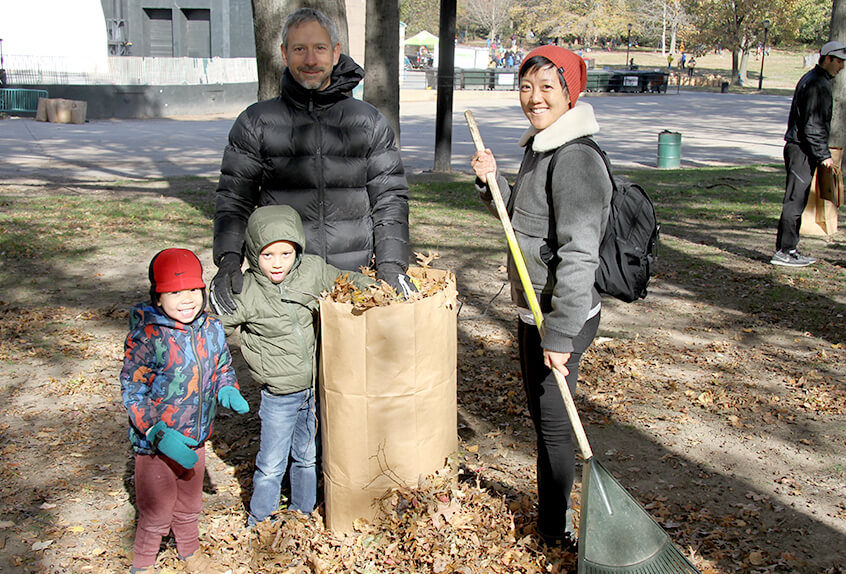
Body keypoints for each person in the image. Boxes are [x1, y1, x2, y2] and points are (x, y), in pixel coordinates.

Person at [470, 46, 612, 550]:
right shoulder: (542, 145)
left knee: (555, 428)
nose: (535, 97)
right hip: (535, 312)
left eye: (548, 87)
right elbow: (523, 226)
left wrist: (561, 333)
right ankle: (554, 521)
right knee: (543, 420)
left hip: (561, 316)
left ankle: (556, 533)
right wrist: (494, 185)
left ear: (572, 92)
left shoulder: (574, 158)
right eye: (527, 86)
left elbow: (578, 256)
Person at [211, 7, 410, 315]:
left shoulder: (368, 121)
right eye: (299, 49)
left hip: (354, 279)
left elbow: (389, 199)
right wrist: (227, 259)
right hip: (286, 282)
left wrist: (392, 264)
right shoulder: (256, 122)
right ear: (283, 53)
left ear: (335, 51)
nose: (310, 60)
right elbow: (235, 200)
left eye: (319, 48)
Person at [219, 205, 373, 525]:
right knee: (273, 461)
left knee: (307, 456)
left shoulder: (312, 271)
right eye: (268, 255)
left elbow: (343, 279)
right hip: (278, 396)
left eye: (286, 254)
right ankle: (260, 519)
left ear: (297, 251)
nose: (277, 263)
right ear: (253, 253)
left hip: (314, 389)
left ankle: (302, 512)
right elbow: (215, 327)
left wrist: (376, 286)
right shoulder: (246, 290)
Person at [121, 248, 249, 574]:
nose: (187, 299)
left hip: (195, 438)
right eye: (175, 292)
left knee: (190, 505)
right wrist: (156, 433)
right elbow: (134, 392)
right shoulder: (147, 336)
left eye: (193, 289)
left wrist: (227, 388)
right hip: (157, 446)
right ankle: (143, 563)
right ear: (158, 296)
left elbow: (222, 366)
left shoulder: (211, 328)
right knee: (157, 512)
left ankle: (189, 553)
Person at [772, 40, 846, 267]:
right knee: (794, 200)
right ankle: (784, 251)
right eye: (839, 61)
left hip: (802, 148)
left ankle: (790, 248)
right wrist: (823, 155)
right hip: (801, 149)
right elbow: (812, 125)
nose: (841, 66)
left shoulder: (816, 80)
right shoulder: (816, 84)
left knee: (799, 199)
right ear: (827, 58)